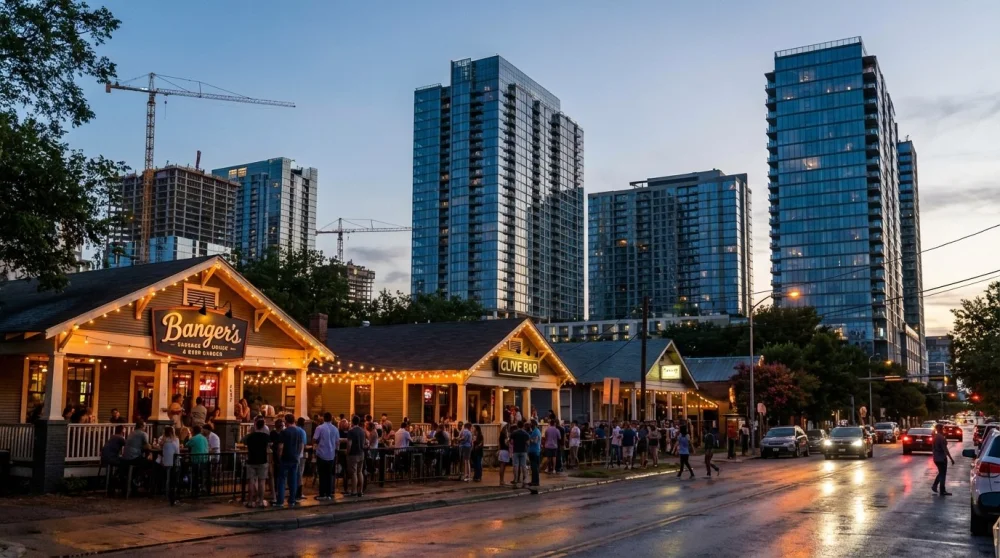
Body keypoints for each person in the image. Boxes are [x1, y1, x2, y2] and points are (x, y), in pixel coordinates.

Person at [275, 414, 304, 507]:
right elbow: (301, 445)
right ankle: (292, 500)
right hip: (295, 458)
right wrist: (298, 455)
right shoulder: (299, 432)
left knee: (282, 479)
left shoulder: (284, 432)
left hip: (285, 457)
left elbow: (280, 446)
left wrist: (279, 456)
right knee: (293, 479)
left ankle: (280, 501)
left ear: (287, 421)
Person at [243, 418, 271, 508]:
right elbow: (269, 447)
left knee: (251, 482)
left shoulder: (250, 436)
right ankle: (261, 501)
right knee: (262, 482)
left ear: (255, 425)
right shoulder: (266, 437)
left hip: (251, 460)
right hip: (262, 460)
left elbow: (242, 441)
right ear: (263, 426)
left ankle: (250, 501)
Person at [313, 413, 339, 501]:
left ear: (323, 418)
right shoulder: (335, 429)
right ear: (331, 419)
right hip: (331, 455)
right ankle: (328, 493)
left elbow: (314, 439)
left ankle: (322, 493)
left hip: (321, 454)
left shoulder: (319, 428)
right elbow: (337, 442)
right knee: (329, 475)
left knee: (322, 475)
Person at [345, 416, 368, 497]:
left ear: (352, 421)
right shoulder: (362, 431)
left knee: (354, 473)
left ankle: (353, 491)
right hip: (361, 453)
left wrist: (347, 452)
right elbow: (365, 442)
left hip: (353, 454)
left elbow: (349, 444)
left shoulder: (351, 431)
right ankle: (360, 491)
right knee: (360, 472)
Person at [185, 425, 210, 495]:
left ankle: (194, 488)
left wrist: (188, 437)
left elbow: (187, 445)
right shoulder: (204, 438)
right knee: (202, 474)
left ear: (193, 431)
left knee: (194, 474)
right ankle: (202, 487)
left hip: (196, 459)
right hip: (205, 459)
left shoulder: (194, 438)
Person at [932, 423, 955, 495]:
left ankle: (936, 486)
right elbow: (945, 449)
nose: (943, 430)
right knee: (942, 474)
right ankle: (941, 489)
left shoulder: (935, 437)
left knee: (941, 473)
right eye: (942, 428)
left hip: (936, 457)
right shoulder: (941, 438)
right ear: (940, 429)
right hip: (941, 458)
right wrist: (951, 458)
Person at [159, 426, 181, 505]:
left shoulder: (163, 441)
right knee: (174, 478)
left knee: (167, 478)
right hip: (174, 462)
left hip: (166, 461)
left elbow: (160, 448)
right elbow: (177, 452)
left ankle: (166, 493)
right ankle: (174, 494)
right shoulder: (176, 440)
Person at [510, 421, 530, 488]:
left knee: (516, 466)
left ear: (517, 426)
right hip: (523, 451)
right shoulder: (526, 433)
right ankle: (525, 481)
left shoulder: (514, 433)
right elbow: (528, 443)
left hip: (516, 451)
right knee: (523, 466)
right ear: (523, 426)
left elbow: (512, 442)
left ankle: (515, 480)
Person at [528, 420, 542, 487]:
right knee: (533, 468)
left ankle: (535, 481)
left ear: (534, 424)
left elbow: (535, 441)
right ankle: (533, 481)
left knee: (534, 467)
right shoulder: (534, 431)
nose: (530, 425)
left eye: (531, 424)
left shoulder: (536, 431)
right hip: (533, 451)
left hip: (535, 451)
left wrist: (529, 439)